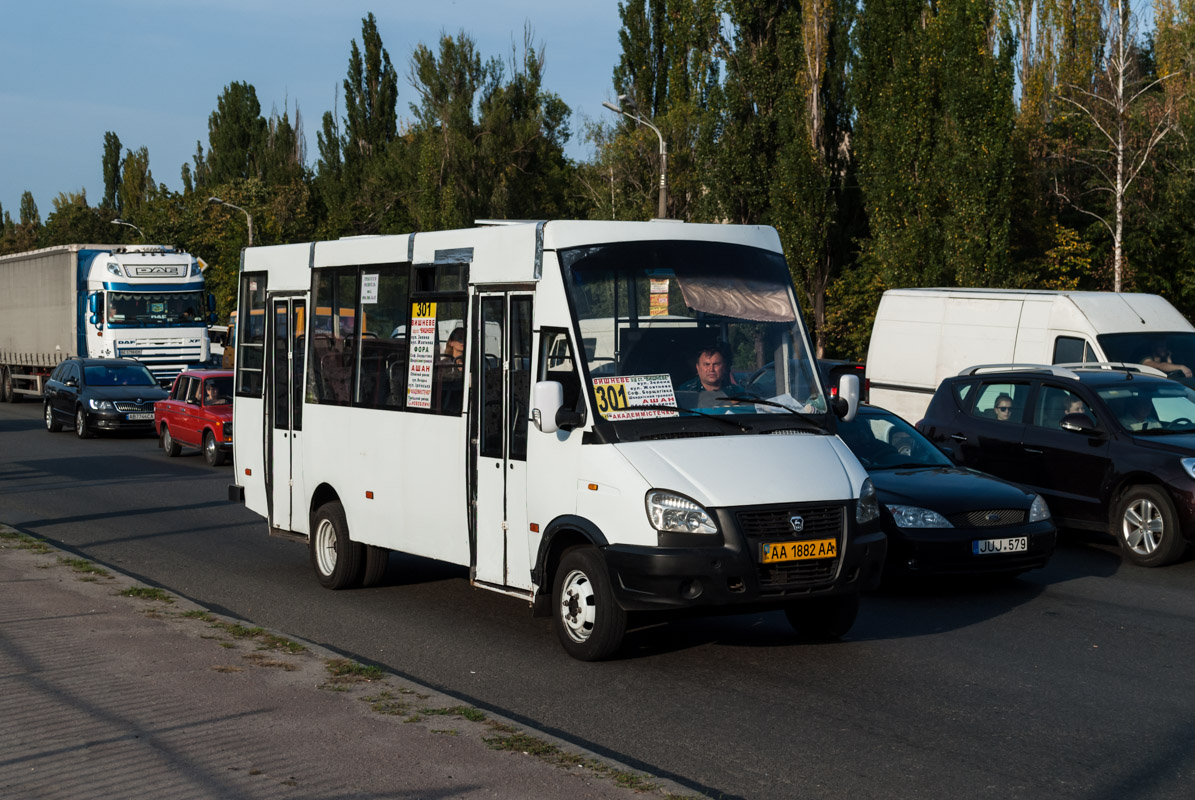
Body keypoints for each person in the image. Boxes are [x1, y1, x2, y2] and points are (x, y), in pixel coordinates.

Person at [678, 344, 745, 406]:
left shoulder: (737, 392)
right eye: (706, 364)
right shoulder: (685, 391)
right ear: (698, 367)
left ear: (724, 367)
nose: (711, 369)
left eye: (716, 364)